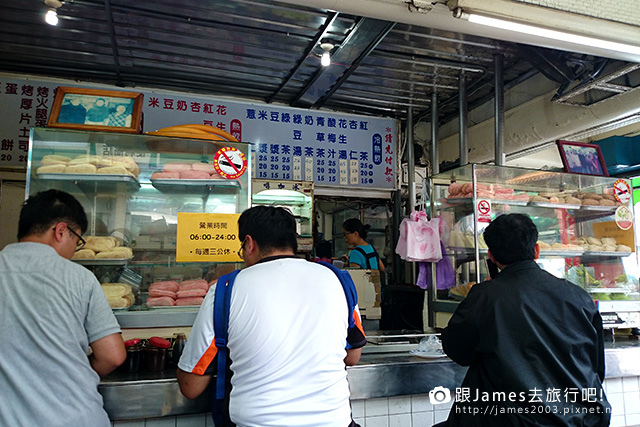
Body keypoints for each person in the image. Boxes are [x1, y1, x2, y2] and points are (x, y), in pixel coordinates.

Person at [177, 206, 366, 426]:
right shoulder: (339, 280)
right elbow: (352, 356)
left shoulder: (225, 290)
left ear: (249, 243)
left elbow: (191, 387)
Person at [437, 213, 610, 426]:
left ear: (491, 256)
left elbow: (459, 351)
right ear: (536, 250)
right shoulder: (579, 296)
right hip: (583, 419)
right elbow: (597, 368)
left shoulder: (485, 296)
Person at [0, 189, 126, 427]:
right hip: (76, 417)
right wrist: (73, 368)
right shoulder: (79, 277)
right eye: (77, 241)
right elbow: (113, 356)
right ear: (60, 231)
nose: (74, 250)